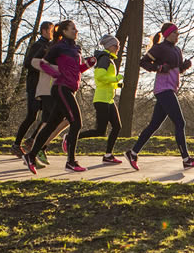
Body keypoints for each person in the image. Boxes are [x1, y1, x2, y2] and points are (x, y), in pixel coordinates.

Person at [125, 23, 194, 169]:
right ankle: (186, 159)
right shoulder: (159, 48)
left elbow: (177, 69)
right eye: (174, 33)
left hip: (170, 89)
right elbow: (143, 62)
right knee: (180, 122)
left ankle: (133, 152)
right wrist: (158, 67)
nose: (177, 36)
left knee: (154, 125)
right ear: (167, 34)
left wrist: (184, 66)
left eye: (178, 34)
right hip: (163, 89)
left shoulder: (177, 50)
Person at [26, 20, 96, 173]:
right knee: (76, 123)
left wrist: (89, 64)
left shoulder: (76, 49)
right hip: (61, 88)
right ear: (64, 31)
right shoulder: (58, 47)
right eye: (73, 28)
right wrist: (56, 74)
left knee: (51, 125)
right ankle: (71, 161)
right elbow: (43, 64)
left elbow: (77, 70)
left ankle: (30, 156)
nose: (76, 31)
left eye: (76, 28)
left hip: (70, 89)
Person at [75, 34, 124, 164]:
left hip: (109, 99)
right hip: (102, 99)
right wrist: (116, 78)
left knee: (117, 126)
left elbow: (105, 80)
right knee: (100, 130)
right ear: (110, 46)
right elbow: (100, 77)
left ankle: (108, 155)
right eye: (117, 46)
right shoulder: (104, 59)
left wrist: (117, 84)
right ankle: (71, 137)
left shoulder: (108, 59)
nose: (118, 48)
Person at [12, 21, 52, 160]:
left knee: (48, 116)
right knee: (32, 116)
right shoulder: (38, 45)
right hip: (34, 86)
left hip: (45, 86)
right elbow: (28, 62)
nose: (53, 33)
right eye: (51, 30)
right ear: (45, 31)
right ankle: (17, 144)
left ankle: (32, 139)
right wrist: (43, 66)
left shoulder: (50, 46)